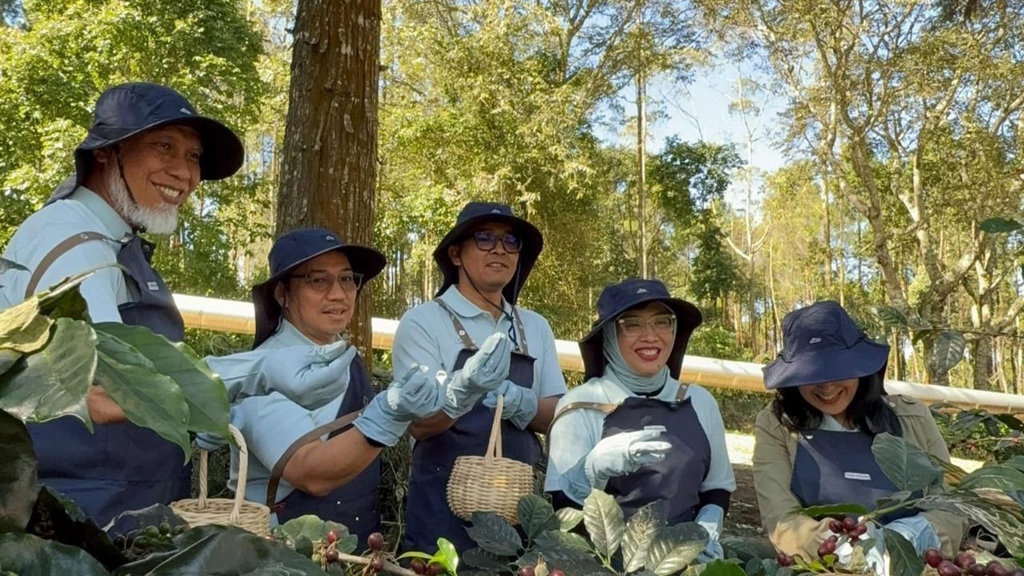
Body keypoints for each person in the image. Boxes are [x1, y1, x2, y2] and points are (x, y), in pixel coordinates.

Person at [0, 82, 354, 527]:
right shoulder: (71, 238)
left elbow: (142, 377)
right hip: (74, 517)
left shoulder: (114, 241)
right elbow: (103, 386)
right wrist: (249, 373)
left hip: (121, 508)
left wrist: (187, 420)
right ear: (108, 153)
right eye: (163, 147)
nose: (185, 173)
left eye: (192, 156)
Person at [204, 227, 445, 546]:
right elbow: (311, 473)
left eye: (347, 279)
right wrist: (390, 416)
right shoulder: (262, 373)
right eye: (318, 280)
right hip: (283, 555)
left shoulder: (347, 358)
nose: (338, 294)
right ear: (282, 294)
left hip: (351, 551)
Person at [391, 201, 568, 553]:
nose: (499, 249)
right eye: (485, 238)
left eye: (510, 241)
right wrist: (464, 391)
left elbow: (559, 417)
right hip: (440, 514)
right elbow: (419, 424)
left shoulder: (535, 326)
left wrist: (523, 402)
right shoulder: (423, 322)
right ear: (455, 254)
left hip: (517, 511)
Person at [754, 301, 965, 565]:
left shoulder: (912, 418)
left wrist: (909, 538)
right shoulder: (777, 425)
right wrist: (841, 550)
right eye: (811, 375)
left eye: (838, 371)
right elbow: (780, 517)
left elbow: (952, 505)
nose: (826, 387)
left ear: (862, 369)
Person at [545, 278, 735, 562]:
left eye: (662, 322)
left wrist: (708, 523)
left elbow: (716, 486)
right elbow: (562, 513)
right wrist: (591, 470)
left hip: (688, 560)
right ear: (608, 334)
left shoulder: (700, 401)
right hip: (604, 565)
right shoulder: (580, 405)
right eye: (632, 324)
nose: (650, 335)